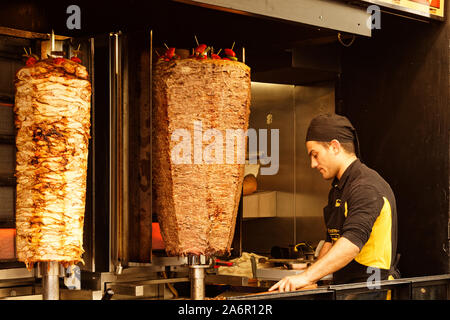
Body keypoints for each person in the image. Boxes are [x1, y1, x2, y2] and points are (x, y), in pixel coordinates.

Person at [269, 114, 399, 295]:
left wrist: (305, 277)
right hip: (345, 289)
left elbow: (351, 243)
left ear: (335, 146)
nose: (313, 164)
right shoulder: (338, 188)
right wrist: (312, 278)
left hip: (371, 287)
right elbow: (332, 241)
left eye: (315, 155)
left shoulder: (366, 187)